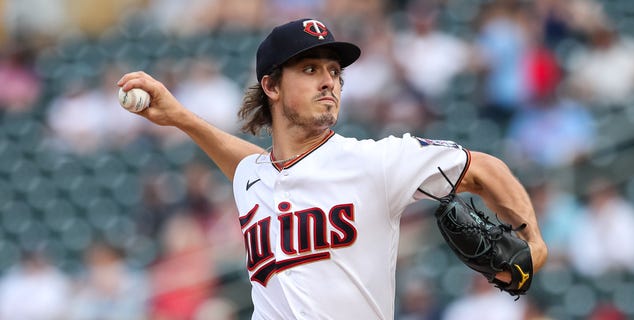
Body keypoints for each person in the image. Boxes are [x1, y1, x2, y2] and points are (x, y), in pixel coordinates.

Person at [118, 18, 548, 319]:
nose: (329, 81)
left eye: (334, 71)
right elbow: (250, 165)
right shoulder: (253, 178)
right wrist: (180, 117)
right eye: (310, 69)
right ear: (271, 85)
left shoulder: (376, 161)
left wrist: (534, 243)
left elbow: (483, 168)